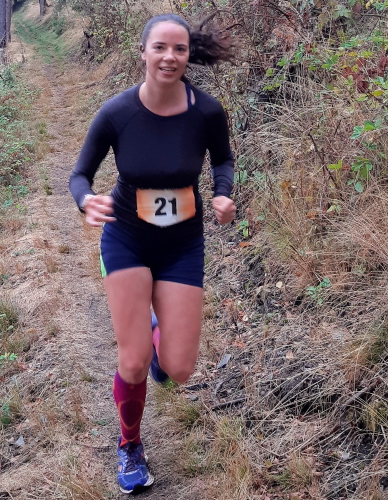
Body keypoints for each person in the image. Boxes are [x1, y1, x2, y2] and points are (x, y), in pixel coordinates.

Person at [68, 13, 236, 494]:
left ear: (189, 55)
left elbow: (223, 159)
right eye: (159, 47)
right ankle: (129, 446)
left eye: (179, 49)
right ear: (142, 52)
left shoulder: (207, 112)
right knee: (134, 361)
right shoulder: (117, 112)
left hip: (182, 243)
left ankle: (157, 329)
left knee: (179, 369)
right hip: (127, 238)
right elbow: (80, 175)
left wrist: (222, 193)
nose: (169, 57)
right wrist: (86, 200)